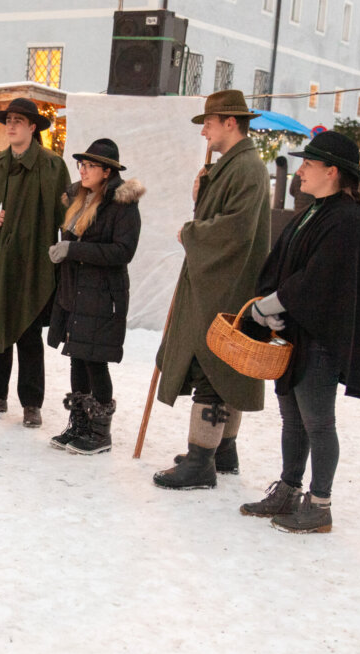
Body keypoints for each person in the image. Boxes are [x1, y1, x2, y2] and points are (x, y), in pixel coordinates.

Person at [239, 130, 360, 533]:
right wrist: (268, 307)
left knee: (318, 422)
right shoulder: (315, 210)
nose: (300, 172)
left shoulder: (347, 219)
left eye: (309, 164)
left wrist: (267, 307)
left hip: (320, 338)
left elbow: (317, 280)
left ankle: (319, 505)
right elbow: (283, 264)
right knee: (292, 419)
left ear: (332, 171)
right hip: (294, 332)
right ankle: (288, 489)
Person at [151, 89, 271, 489]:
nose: (204, 132)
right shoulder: (232, 166)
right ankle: (223, 450)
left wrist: (191, 232)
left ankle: (201, 459)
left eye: (209, 123)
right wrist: (201, 196)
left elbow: (235, 228)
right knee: (225, 365)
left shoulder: (247, 168)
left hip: (224, 285)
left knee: (212, 366)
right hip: (219, 281)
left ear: (230, 122)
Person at [0, 97, 70, 428]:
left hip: (33, 263)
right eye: (8, 120)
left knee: (28, 333)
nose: (11, 125)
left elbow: (67, 214)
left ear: (33, 127)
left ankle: (32, 403)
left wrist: (66, 255)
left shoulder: (52, 166)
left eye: (18, 120)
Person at [47, 138, 143, 455]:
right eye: (82, 164)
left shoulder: (122, 204)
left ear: (107, 171)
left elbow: (122, 251)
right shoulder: (79, 197)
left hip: (103, 295)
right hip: (75, 291)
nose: (83, 170)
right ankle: (80, 424)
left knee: (95, 360)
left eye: (90, 165)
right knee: (77, 355)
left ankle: (100, 433)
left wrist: (73, 250)